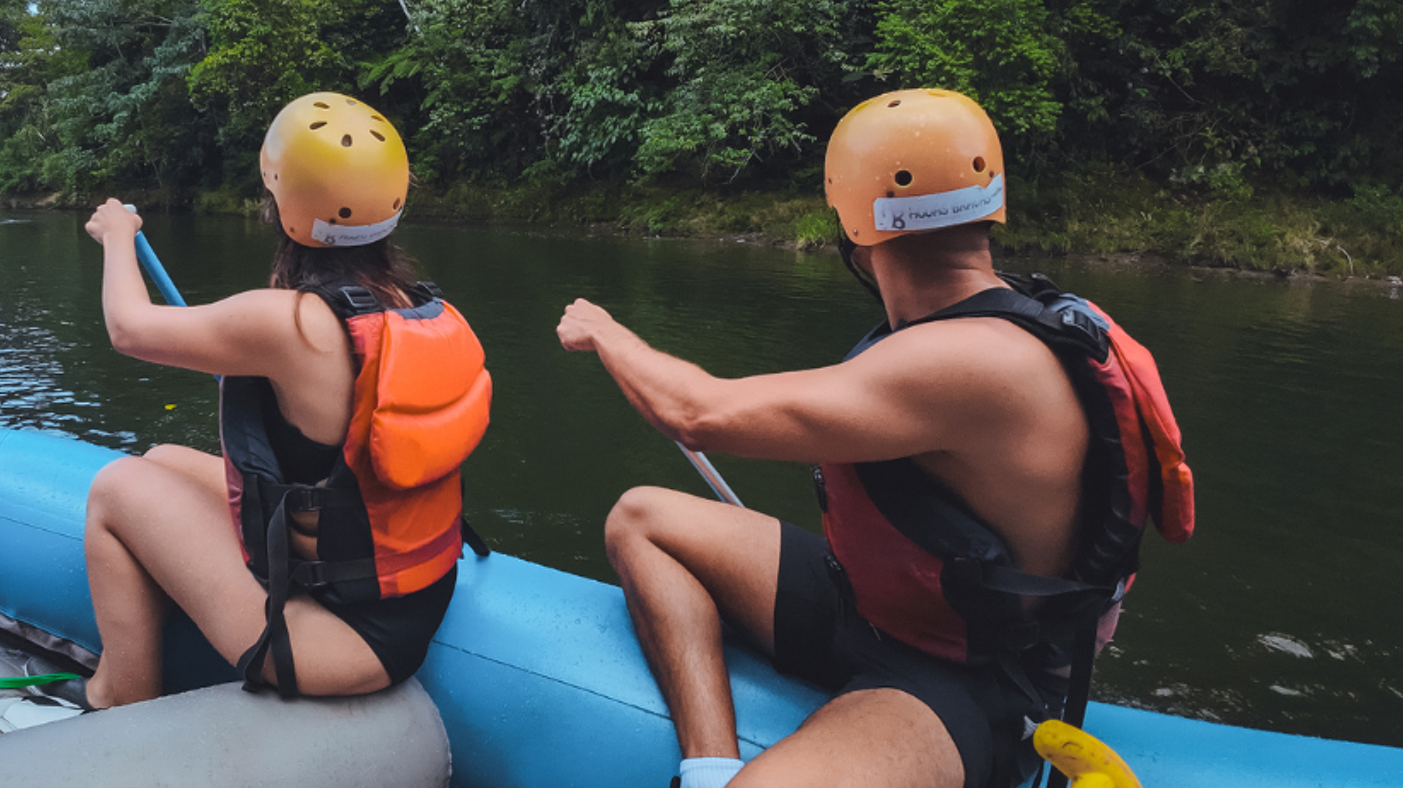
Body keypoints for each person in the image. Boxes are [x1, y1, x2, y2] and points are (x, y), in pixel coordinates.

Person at [557, 88, 1192, 788]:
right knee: (642, 518)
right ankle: (709, 765)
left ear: (856, 228)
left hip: (967, 679)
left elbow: (694, 414)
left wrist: (605, 331)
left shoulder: (971, 361)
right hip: (874, 607)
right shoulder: (982, 320)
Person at [78, 91, 491, 709]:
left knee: (115, 488)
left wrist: (118, 234)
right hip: (406, 601)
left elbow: (129, 329)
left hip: (342, 640)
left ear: (280, 203)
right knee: (161, 456)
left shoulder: (289, 324)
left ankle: (118, 694)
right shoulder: (415, 305)